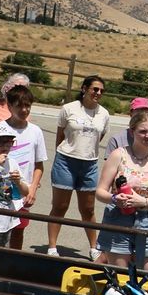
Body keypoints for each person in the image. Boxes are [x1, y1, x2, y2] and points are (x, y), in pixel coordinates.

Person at [94, 109, 148, 271]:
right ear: (132, 132)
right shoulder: (119, 155)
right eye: (142, 131)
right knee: (120, 277)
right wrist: (115, 199)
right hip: (118, 218)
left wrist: (143, 201)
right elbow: (100, 191)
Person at [47, 75, 109, 259]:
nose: (98, 93)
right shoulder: (68, 109)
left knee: (88, 209)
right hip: (66, 160)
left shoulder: (104, 114)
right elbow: (60, 136)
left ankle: (93, 248)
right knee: (60, 206)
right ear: (84, 89)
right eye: (94, 89)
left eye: (101, 91)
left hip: (89, 164)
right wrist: (67, 152)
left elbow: (99, 137)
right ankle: (52, 247)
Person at [1, 84, 46, 251]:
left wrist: (32, 188)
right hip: (2, 190)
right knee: (0, 231)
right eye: (19, 105)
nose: (24, 109)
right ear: (9, 105)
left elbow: (39, 165)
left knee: (18, 231)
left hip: (23, 191)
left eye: (28, 105)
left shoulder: (35, 131)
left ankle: (14, 264)